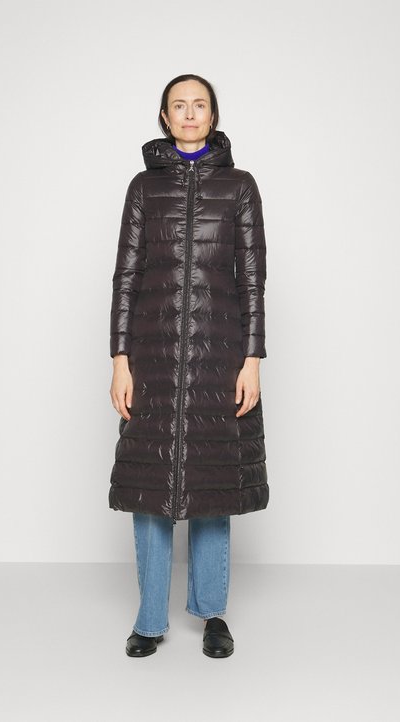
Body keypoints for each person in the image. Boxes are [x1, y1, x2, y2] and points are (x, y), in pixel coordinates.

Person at [109, 73, 269, 658]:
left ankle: (212, 613)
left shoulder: (240, 187)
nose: (190, 113)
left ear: (213, 115)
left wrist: (252, 358)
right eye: (179, 105)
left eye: (200, 104)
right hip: (150, 357)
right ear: (165, 116)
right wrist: (119, 358)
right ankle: (149, 619)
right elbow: (126, 276)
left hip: (220, 355)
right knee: (150, 487)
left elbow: (253, 280)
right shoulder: (142, 188)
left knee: (212, 485)